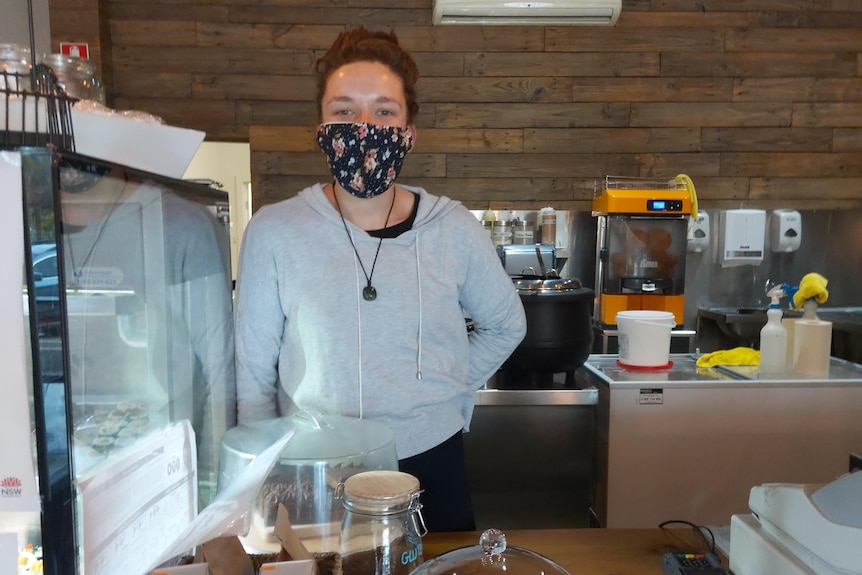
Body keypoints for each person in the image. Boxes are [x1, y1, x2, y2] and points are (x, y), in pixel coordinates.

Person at [234, 26, 526, 532]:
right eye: (344, 111)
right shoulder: (274, 231)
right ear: (321, 127)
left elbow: (506, 324)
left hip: (431, 461)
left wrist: (443, 386)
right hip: (316, 467)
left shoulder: (454, 229)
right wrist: (263, 473)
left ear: (409, 132)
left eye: (383, 111)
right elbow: (254, 373)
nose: (363, 126)